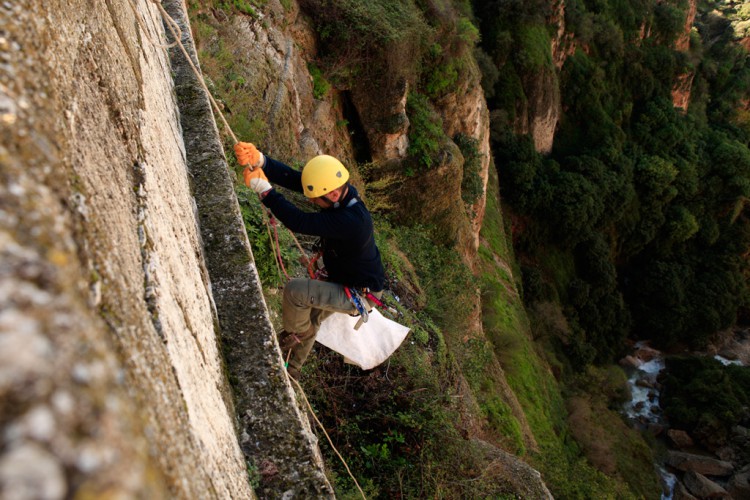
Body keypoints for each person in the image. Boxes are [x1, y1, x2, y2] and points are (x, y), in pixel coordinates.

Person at [234, 142, 386, 379]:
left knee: (296, 292)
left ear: (333, 194)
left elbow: (300, 222)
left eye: (317, 198)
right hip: (349, 279)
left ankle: (295, 336)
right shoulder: (341, 194)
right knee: (311, 318)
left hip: (359, 293)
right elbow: (300, 182)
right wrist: (261, 160)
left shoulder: (352, 220)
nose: (313, 201)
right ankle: (291, 370)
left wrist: (265, 191)